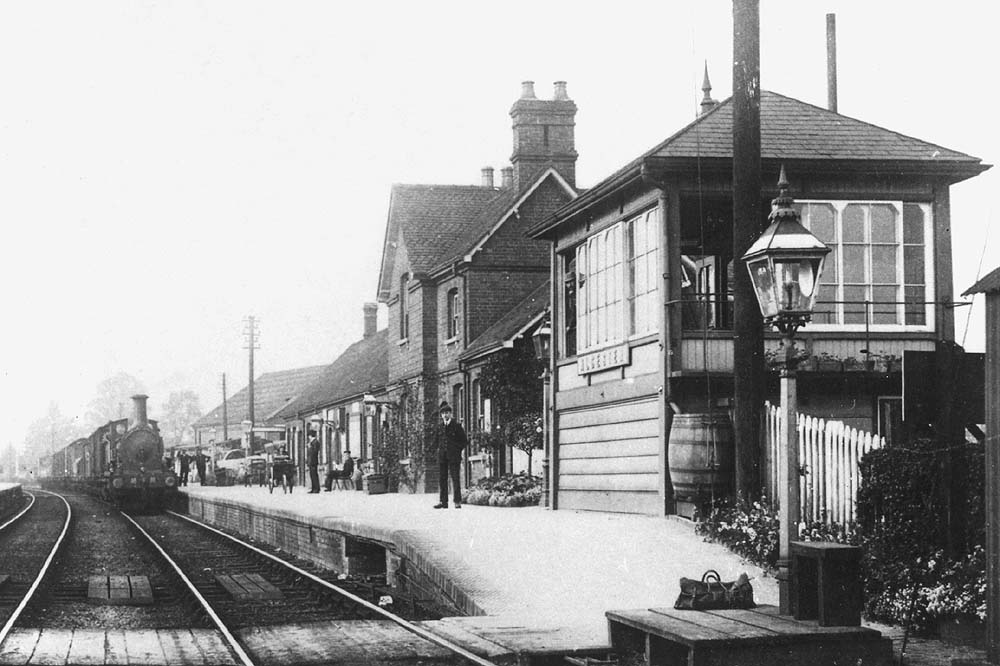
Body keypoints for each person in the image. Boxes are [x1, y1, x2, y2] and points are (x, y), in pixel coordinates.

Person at [433, 401, 467, 509]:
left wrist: (457, 450)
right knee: (442, 479)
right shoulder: (440, 427)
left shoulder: (456, 426)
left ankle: (457, 501)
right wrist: (437, 451)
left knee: (455, 478)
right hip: (442, 457)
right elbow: (435, 441)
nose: (445, 415)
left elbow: (464, 441)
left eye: (447, 413)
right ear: (441, 415)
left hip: (454, 457)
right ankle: (443, 502)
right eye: (443, 413)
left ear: (450, 414)